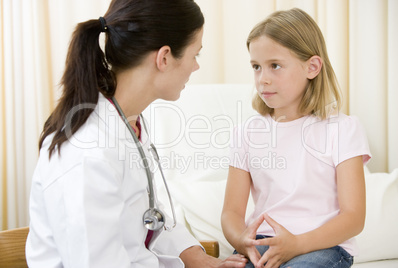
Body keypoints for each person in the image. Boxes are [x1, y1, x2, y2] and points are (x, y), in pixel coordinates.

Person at [26, 0, 248, 267]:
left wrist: (200, 260)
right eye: (195, 55)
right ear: (164, 57)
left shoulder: (128, 121)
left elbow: (149, 214)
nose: (195, 67)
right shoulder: (88, 152)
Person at [221, 8, 371, 268]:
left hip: (321, 247)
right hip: (263, 244)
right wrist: (241, 238)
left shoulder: (342, 129)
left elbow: (354, 217)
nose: (263, 79)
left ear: (312, 67)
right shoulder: (246, 133)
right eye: (256, 67)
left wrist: (297, 245)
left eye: (275, 66)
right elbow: (231, 212)